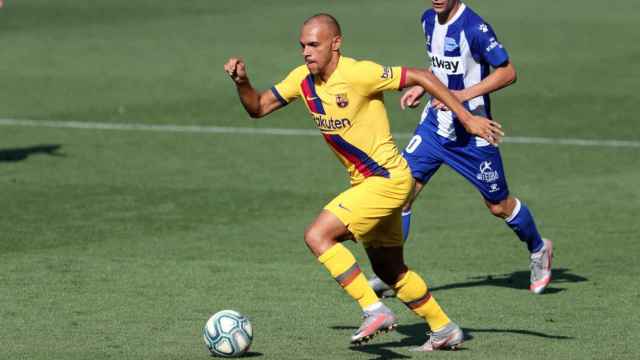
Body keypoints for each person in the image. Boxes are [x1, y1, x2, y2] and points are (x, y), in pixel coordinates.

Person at [224, 13, 504, 351]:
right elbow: (258, 107)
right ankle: (444, 328)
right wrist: (242, 82)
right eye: (302, 46)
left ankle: (374, 309)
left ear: (336, 44)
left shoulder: (359, 73)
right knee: (390, 270)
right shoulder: (302, 80)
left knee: (318, 235)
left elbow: (422, 75)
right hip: (370, 185)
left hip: (387, 180)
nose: (306, 52)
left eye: (314, 45)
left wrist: (467, 116)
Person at [369, 0, 553, 297]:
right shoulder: (428, 19)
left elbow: (507, 72)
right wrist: (424, 85)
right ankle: (393, 273)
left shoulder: (475, 28)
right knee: (401, 195)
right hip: (435, 127)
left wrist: (461, 95)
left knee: (498, 205)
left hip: (473, 132)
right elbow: (440, 62)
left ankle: (538, 248)